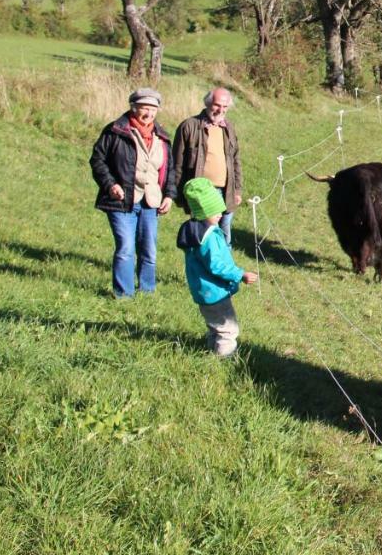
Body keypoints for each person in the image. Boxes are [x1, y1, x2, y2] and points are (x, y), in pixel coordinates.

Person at [89, 87, 176, 298]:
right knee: (126, 248)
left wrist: (169, 196)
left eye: (153, 109)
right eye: (144, 108)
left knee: (149, 250)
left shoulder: (161, 136)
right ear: (133, 108)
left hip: (151, 201)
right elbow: (97, 160)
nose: (148, 114)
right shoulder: (115, 131)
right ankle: (123, 294)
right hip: (122, 200)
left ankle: (147, 291)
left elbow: (170, 169)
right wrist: (110, 184)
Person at [177, 178, 258, 358]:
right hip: (215, 291)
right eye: (215, 211)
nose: (220, 214)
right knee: (228, 329)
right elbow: (216, 266)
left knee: (215, 327)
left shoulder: (194, 231)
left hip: (203, 291)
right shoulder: (209, 237)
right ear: (203, 211)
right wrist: (240, 274)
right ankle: (223, 359)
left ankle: (211, 351)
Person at [173, 87, 243, 246]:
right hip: (203, 192)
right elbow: (177, 163)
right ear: (208, 103)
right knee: (205, 237)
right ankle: (204, 270)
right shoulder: (189, 126)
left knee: (225, 236)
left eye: (225, 107)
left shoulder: (229, 128)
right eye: (217, 105)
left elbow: (236, 160)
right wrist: (177, 194)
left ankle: (224, 270)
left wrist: (237, 189)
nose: (221, 110)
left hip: (226, 190)